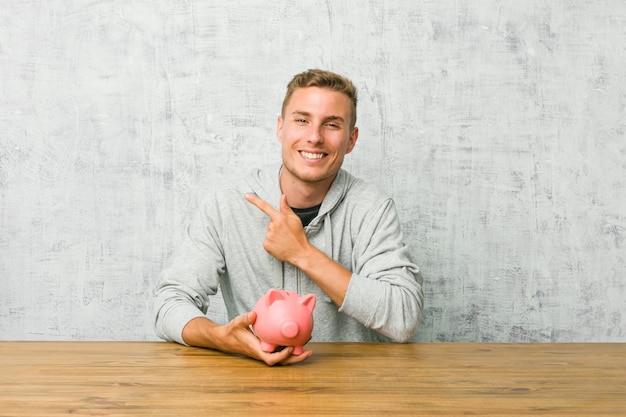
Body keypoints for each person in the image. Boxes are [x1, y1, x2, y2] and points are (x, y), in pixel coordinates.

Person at [154, 69, 424, 366]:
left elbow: (403, 317)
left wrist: (302, 253)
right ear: (281, 128)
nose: (314, 137)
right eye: (302, 120)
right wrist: (222, 338)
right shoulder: (227, 204)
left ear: (351, 139)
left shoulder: (372, 208)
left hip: (348, 388)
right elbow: (169, 303)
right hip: (251, 389)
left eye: (332, 124)